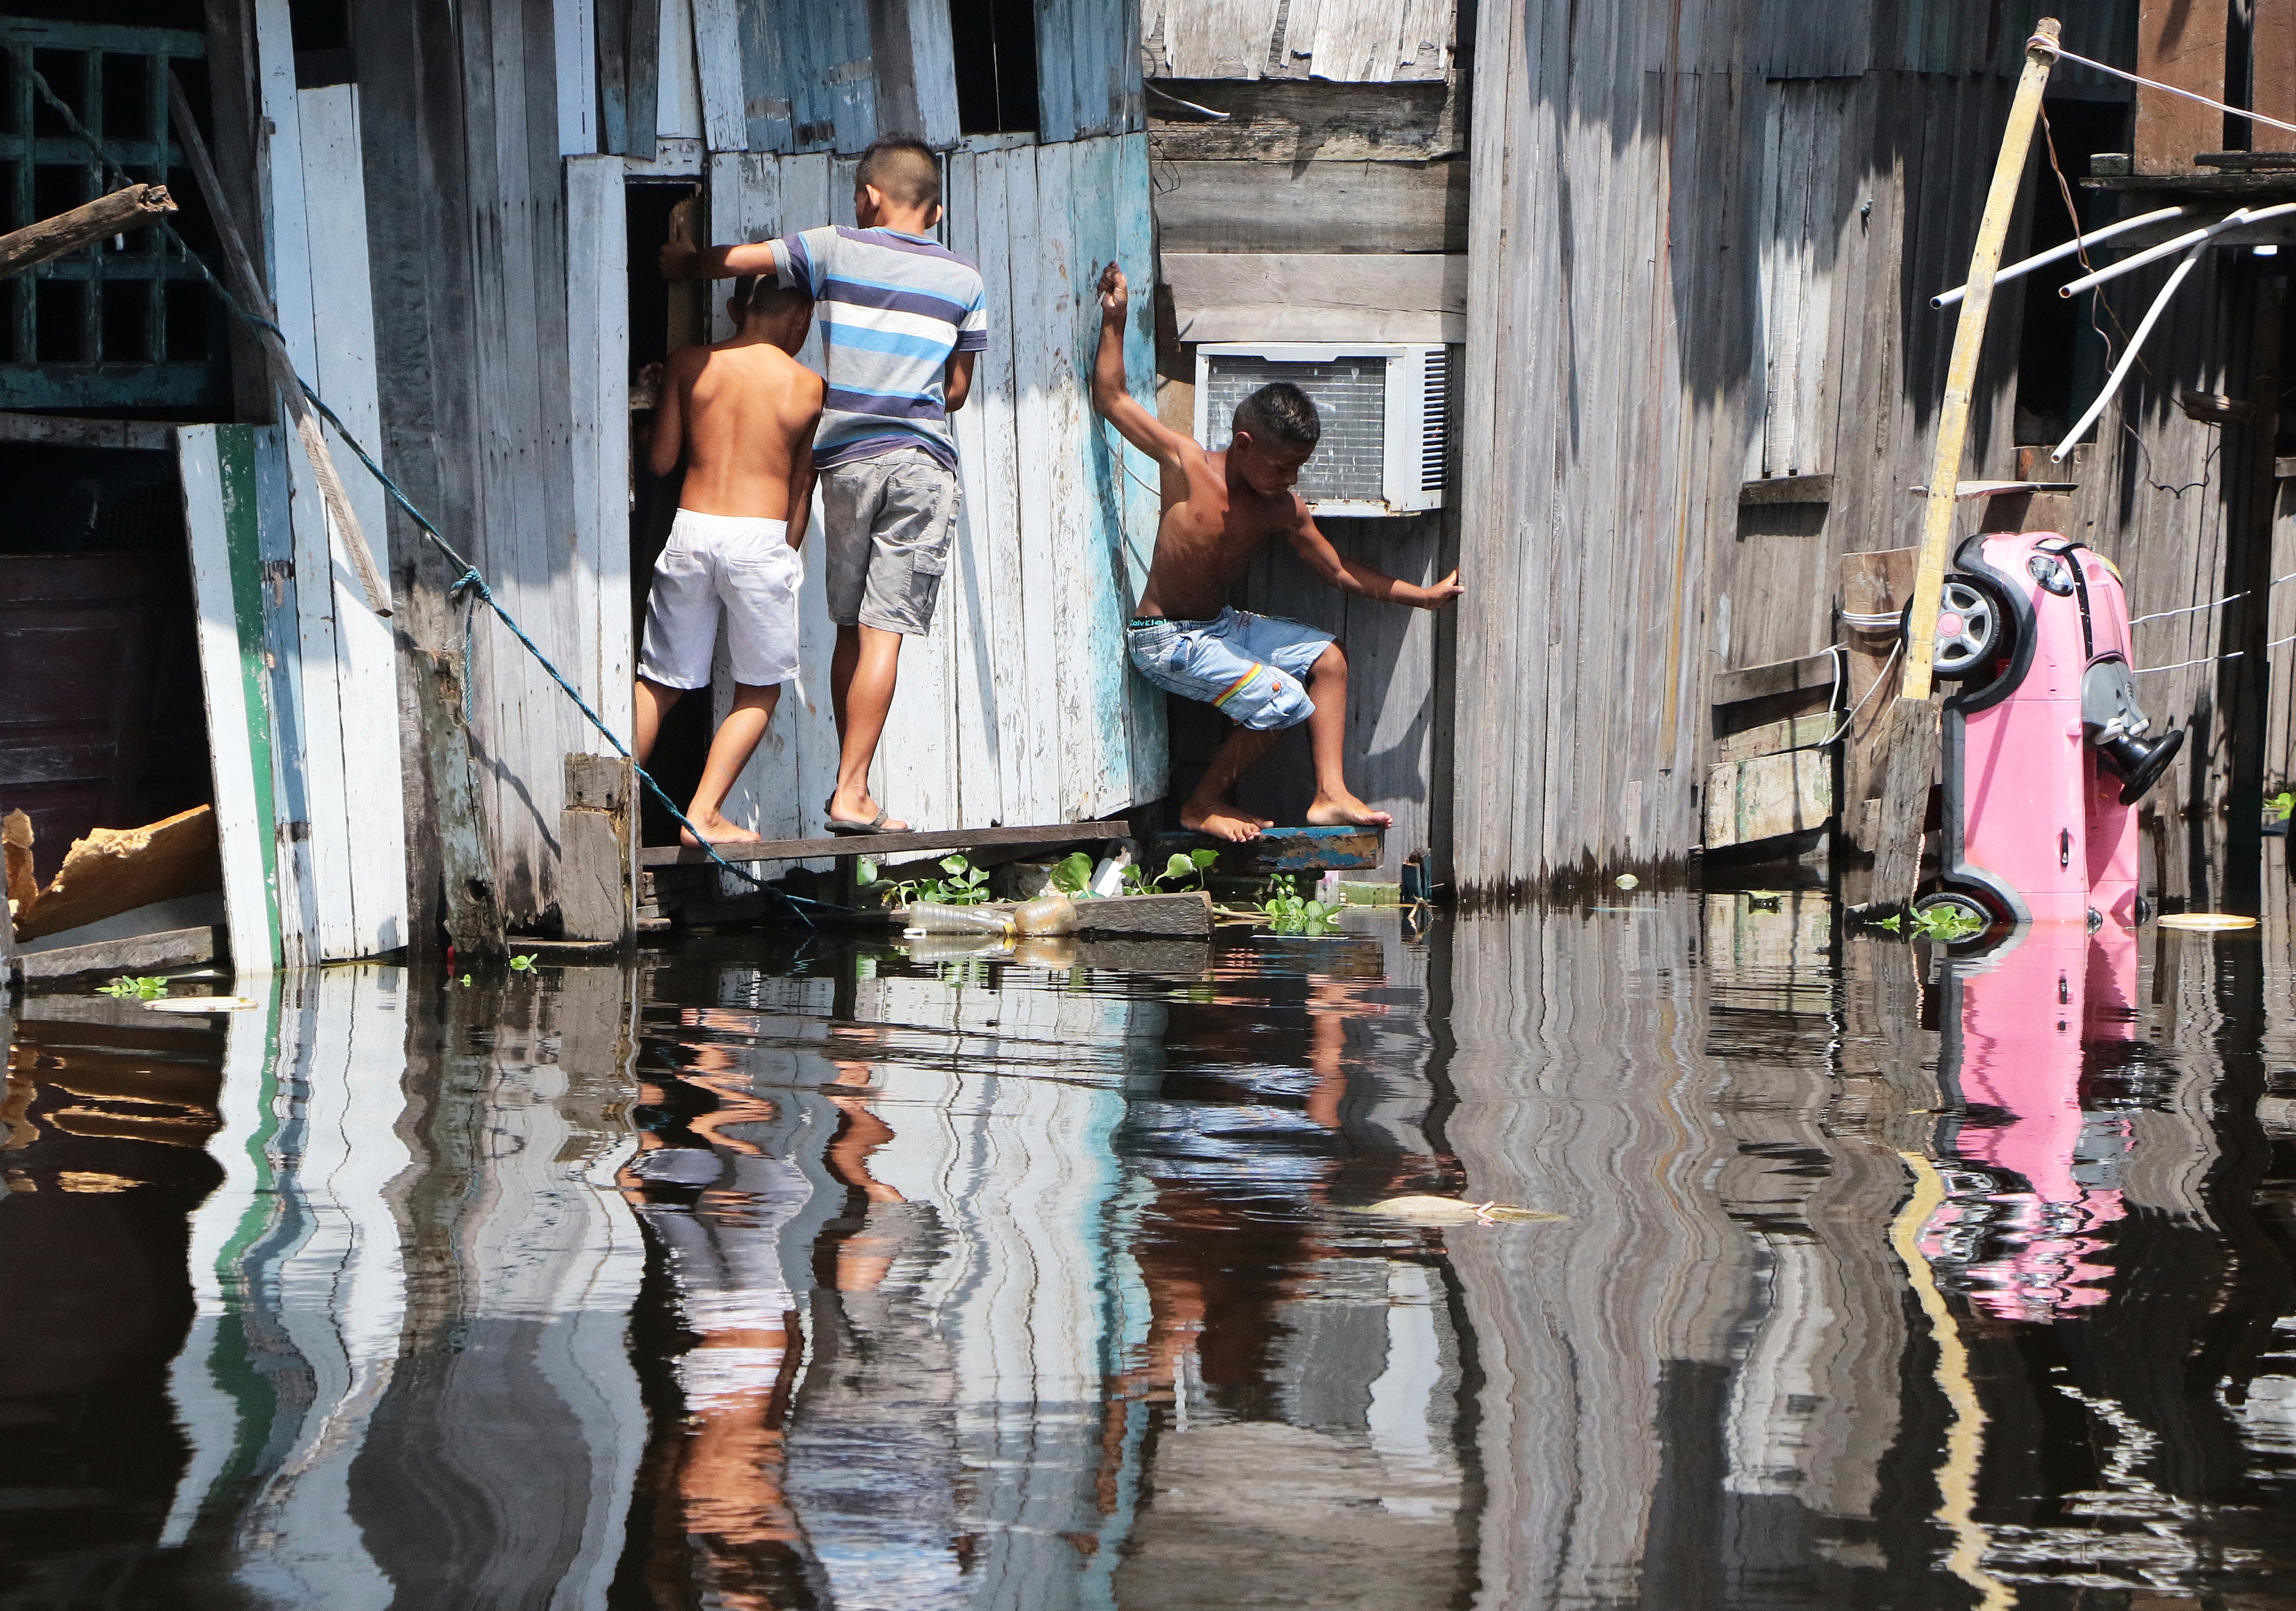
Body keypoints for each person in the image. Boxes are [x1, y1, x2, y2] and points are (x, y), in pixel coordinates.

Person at [660, 134, 987, 835]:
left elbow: (743, 261)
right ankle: (853, 789)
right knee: (885, 632)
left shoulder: (836, 245)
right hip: (916, 463)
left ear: (870, 197)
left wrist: (688, 263)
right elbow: (955, 392)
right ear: (933, 206)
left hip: (846, 462)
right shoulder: (966, 281)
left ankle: (848, 788)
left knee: (849, 626)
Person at [1087, 262, 1463, 842]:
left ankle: (1329, 793)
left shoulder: (1283, 509)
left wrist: (1424, 596)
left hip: (1219, 627)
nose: (1292, 478)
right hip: (1165, 641)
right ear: (1244, 444)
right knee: (1284, 698)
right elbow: (1112, 398)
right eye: (1283, 464)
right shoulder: (1188, 464)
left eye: (1301, 467)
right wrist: (1114, 318)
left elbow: (1337, 570)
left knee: (1328, 660)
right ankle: (1202, 803)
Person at [633, 277, 824, 846]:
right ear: (801, 318)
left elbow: (663, 461)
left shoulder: (690, 363)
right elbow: (803, 481)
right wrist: (785, 553)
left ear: (737, 308)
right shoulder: (809, 386)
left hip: (693, 528)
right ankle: (705, 813)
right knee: (759, 688)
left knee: (660, 683)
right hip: (758, 537)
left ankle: (608, 812)